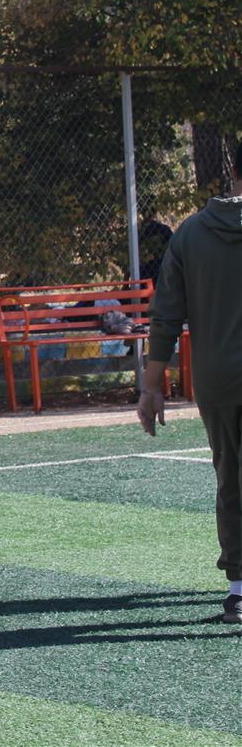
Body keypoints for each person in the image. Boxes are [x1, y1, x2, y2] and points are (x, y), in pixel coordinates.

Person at [140, 139, 242, 623]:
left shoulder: (191, 233)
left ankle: (239, 589)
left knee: (230, 477)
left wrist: (150, 385)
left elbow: (165, 316)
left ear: (233, 171)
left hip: (216, 378)